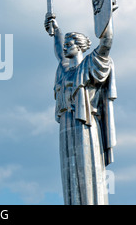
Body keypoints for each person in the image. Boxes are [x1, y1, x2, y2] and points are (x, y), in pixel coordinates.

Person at [44, 13, 117, 205]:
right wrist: (56, 30)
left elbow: (106, 42)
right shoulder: (64, 69)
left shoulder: (89, 65)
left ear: (79, 45)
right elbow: (59, 50)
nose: (66, 46)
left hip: (85, 125)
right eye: (66, 43)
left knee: (87, 172)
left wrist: (106, 15)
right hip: (66, 127)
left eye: (70, 42)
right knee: (69, 174)